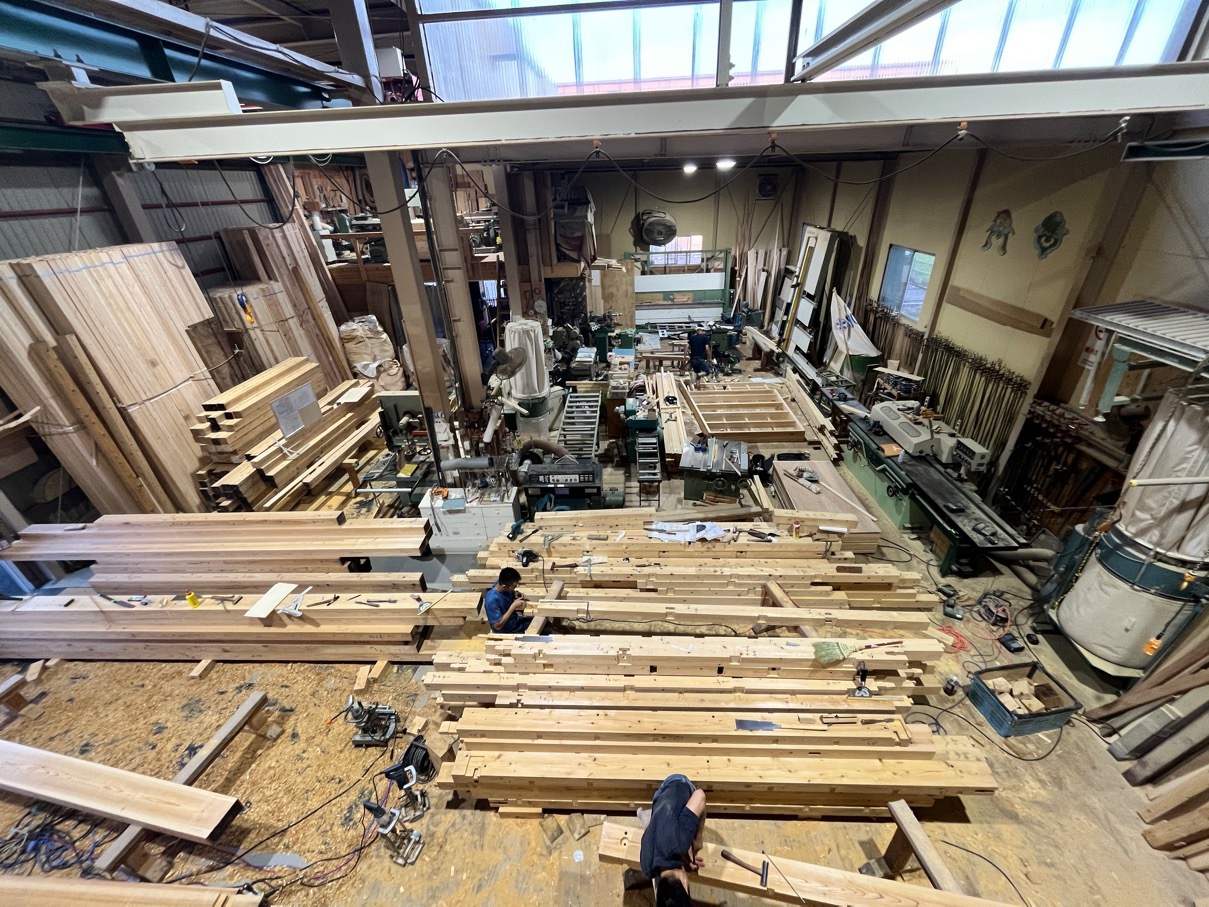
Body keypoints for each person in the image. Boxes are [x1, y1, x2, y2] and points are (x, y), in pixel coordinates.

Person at [640, 774, 707, 907]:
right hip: (658, 799)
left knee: (693, 822)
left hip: (678, 782)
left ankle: (646, 816)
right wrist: (682, 859)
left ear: (685, 884)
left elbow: (700, 795)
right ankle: (646, 815)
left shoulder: (679, 844)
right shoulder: (646, 867)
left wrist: (697, 841)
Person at [483, 566, 530, 633]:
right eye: (513, 587)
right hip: (506, 629)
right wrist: (513, 606)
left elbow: (511, 591)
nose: (514, 588)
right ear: (504, 587)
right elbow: (497, 626)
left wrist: (515, 593)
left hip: (514, 620)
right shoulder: (492, 600)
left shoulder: (501, 583)